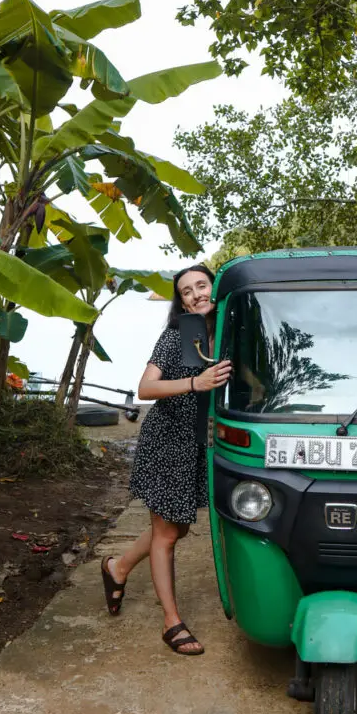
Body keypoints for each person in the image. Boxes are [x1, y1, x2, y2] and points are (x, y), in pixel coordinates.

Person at [101, 264, 232, 655]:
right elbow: (144, 388)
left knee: (175, 528)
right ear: (180, 301)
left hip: (198, 443)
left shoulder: (226, 333)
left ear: (215, 287)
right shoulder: (177, 335)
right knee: (167, 535)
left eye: (201, 286)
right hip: (167, 439)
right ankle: (171, 623)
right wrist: (195, 383)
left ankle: (117, 568)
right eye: (186, 291)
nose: (195, 295)